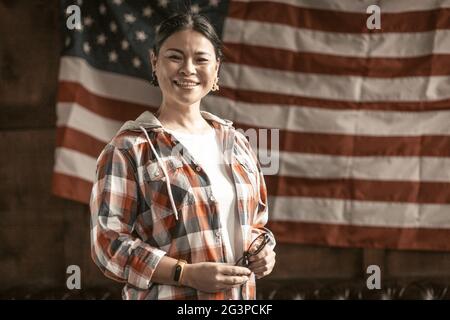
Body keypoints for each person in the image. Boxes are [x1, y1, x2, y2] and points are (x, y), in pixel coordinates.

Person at [90, 12, 276, 300]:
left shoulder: (237, 142)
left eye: (201, 59)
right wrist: (184, 273)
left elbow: (255, 224)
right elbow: (108, 244)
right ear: (155, 62)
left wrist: (264, 251)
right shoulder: (128, 149)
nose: (188, 69)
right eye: (175, 57)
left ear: (217, 69)